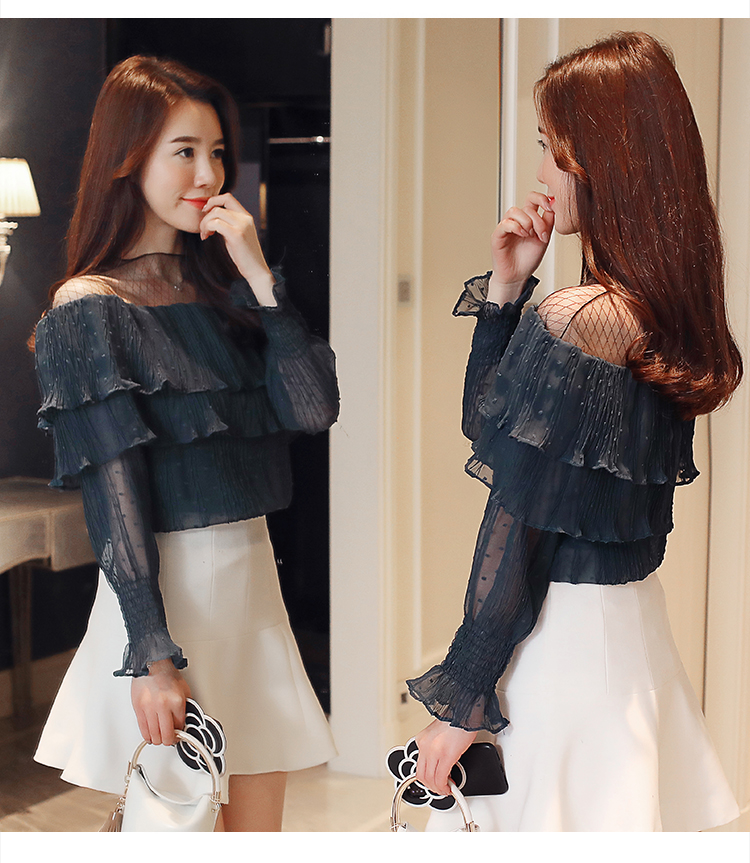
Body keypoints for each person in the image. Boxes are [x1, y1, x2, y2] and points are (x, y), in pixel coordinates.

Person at [407, 31, 743, 831]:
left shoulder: (579, 317)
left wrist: (463, 697)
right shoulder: (655, 312)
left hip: (560, 649)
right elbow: (495, 430)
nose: (541, 175)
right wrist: (507, 287)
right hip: (631, 632)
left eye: (549, 149)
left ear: (600, 162)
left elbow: (513, 524)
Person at [31, 55, 338, 831]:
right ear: (128, 158)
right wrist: (152, 653)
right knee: (176, 828)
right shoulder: (86, 309)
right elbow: (114, 493)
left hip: (252, 592)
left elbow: (314, 408)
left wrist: (260, 276)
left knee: (256, 832)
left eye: (217, 152)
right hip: (168, 602)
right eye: (185, 151)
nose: (208, 174)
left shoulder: (226, 293)